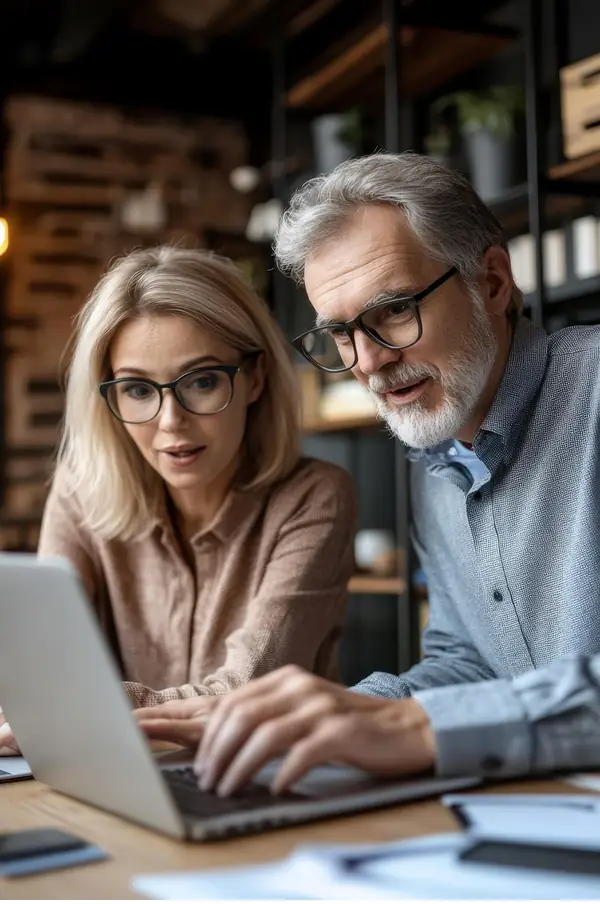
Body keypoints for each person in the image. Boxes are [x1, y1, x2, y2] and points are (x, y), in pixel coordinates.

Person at [135, 152, 600, 790]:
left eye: (393, 311)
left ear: (491, 282)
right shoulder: (436, 454)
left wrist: (416, 729)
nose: (369, 362)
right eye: (342, 333)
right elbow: (469, 660)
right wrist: (333, 713)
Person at [0, 245, 358, 754]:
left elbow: (244, 693)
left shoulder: (314, 498)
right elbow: (43, 671)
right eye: (138, 390)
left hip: (269, 780)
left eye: (203, 381)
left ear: (255, 378)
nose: (171, 422)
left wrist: (83, 708)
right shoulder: (82, 490)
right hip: (117, 780)